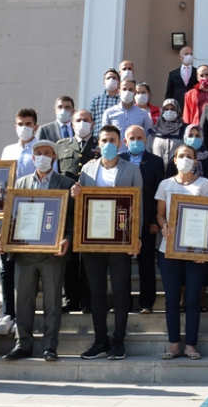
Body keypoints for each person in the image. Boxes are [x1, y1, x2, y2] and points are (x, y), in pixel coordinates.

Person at [0, 140, 74, 362]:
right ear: (32, 158)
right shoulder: (20, 183)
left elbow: (73, 219)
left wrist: (67, 238)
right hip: (24, 253)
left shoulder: (67, 183)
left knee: (52, 302)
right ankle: (23, 345)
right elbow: (9, 216)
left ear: (55, 158)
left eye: (47, 153)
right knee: (23, 301)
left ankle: (50, 346)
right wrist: (1, 236)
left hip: (53, 253)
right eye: (38, 153)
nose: (42, 156)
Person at [71, 125, 143, 360]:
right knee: (96, 292)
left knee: (122, 291)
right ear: (98, 143)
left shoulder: (131, 169)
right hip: (92, 241)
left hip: (121, 240)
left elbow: (137, 207)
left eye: (113, 140)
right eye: (104, 140)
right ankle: (100, 340)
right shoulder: (87, 170)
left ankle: (119, 341)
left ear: (120, 143)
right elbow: (81, 205)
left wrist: (136, 237)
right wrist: (76, 194)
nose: (108, 144)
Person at [0, 108, 41, 336]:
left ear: (35, 126)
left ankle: (26, 317)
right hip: (8, 215)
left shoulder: (42, 150)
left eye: (28, 123)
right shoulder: (8, 150)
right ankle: (8, 314)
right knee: (6, 266)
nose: (24, 127)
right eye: (20, 123)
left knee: (30, 267)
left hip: (32, 213)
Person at [156, 145, 208, 360]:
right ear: (174, 159)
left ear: (196, 161)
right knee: (171, 299)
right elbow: (160, 214)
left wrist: (206, 247)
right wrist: (164, 226)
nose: (185, 159)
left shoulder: (204, 184)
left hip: (196, 249)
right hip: (168, 248)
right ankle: (173, 344)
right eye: (181, 156)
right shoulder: (165, 184)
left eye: (189, 156)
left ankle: (190, 344)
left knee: (192, 299)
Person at [56, 109, 100, 313]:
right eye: (78, 120)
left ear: (93, 123)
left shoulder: (101, 144)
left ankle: (88, 299)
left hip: (94, 209)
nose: (82, 123)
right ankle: (71, 297)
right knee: (70, 257)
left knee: (90, 258)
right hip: (69, 209)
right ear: (72, 124)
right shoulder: (61, 146)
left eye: (86, 120)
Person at [119, 125, 164, 314]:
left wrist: (155, 219)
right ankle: (124, 302)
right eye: (132, 137)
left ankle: (147, 303)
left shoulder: (155, 161)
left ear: (145, 139)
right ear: (125, 141)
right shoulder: (118, 159)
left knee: (146, 262)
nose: (136, 141)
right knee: (122, 265)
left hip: (147, 219)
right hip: (122, 221)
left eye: (139, 137)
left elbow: (158, 192)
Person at [103, 78, 153, 152]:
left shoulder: (143, 114)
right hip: (116, 156)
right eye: (124, 89)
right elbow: (105, 136)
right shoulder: (109, 113)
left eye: (130, 89)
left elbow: (148, 137)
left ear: (135, 92)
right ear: (119, 91)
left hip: (136, 157)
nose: (127, 92)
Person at [147, 98, 186, 168]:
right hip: (157, 170)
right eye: (166, 109)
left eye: (173, 109)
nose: (169, 111)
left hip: (178, 171)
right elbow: (148, 151)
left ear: (178, 111)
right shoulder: (154, 131)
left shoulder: (184, 130)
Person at [89, 68, 121, 136]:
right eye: (108, 78)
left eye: (114, 78)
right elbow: (90, 120)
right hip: (98, 138)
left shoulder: (122, 100)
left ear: (119, 82)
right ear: (104, 83)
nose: (111, 79)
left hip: (117, 138)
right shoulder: (96, 100)